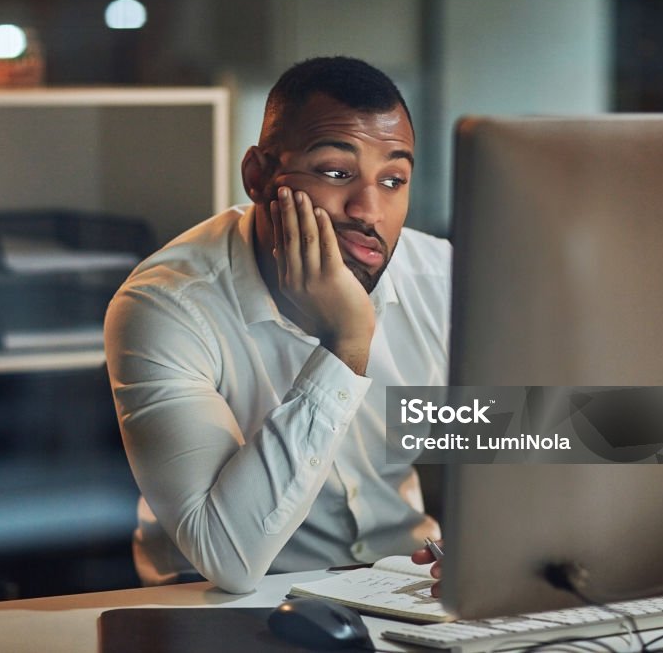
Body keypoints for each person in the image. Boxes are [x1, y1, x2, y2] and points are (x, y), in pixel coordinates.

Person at [104, 56, 450, 594]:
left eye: (393, 180)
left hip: (400, 587)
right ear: (258, 176)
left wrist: (502, 540)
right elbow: (228, 557)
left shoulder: (439, 280)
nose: (369, 209)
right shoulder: (165, 304)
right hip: (216, 606)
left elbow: (518, 438)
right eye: (336, 173)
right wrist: (346, 343)